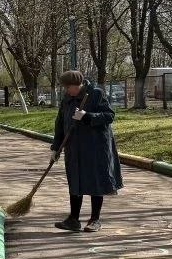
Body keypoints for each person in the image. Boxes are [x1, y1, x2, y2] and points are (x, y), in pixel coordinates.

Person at [50, 70, 123, 232]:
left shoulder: (95, 94)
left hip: (95, 147)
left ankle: (94, 220)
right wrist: (55, 148)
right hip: (74, 148)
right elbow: (60, 123)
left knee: (95, 181)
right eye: (65, 87)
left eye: (68, 87)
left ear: (77, 85)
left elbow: (109, 116)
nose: (66, 90)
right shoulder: (67, 99)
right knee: (75, 181)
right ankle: (73, 220)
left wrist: (87, 116)